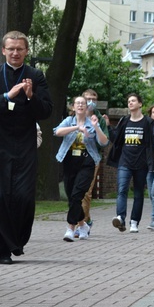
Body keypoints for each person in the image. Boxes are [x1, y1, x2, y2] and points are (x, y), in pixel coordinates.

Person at [0, 31, 53, 264]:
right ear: (3, 50)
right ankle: (3, 249)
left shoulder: (36, 76)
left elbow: (46, 111)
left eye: (20, 49)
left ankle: (16, 241)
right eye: (11, 49)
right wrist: (8, 95)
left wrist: (30, 96)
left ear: (27, 51)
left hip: (25, 143)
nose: (15, 53)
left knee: (23, 197)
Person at [54, 96, 109, 241]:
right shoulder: (69, 121)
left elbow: (104, 142)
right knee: (72, 196)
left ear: (87, 107)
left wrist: (96, 127)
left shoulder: (93, 122)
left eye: (83, 103)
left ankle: (70, 228)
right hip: (69, 161)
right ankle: (83, 225)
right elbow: (57, 132)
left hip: (87, 161)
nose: (80, 105)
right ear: (73, 107)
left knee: (77, 194)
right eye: (77, 103)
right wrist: (77, 128)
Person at [107, 93, 154, 233]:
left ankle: (134, 222)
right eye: (129, 101)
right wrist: (108, 126)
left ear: (140, 104)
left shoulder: (148, 122)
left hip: (141, 163)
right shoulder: (124, 121)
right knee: (121, 190)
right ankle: (120, 217)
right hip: (125, 162)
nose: (130, 103)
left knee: (138, 193)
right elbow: (115, 138)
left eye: (133, 101)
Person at [79, 88, 109, 236]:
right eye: (88, 99)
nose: (91, 102)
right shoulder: (75, 116)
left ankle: (80, 224)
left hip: (92, 157)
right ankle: (86, 220)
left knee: (86, 192)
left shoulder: (100, 119)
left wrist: (97, 127)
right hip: (75, 157)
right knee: (75, 191)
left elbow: (104, 141)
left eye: (93, 99)